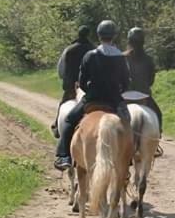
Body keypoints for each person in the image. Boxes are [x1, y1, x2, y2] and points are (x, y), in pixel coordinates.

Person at [54, 20, 131, 171]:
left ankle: (64, 156)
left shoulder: (90, 55)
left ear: (99, 35)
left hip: (92, 99)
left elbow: (82, 82)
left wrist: (89, 90)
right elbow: (126, 82)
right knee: (128, 123)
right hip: (114, 101)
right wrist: (116, 92)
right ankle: (127, 158)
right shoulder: (121, 57)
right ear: (114, 36)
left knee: (69, 120)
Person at [51, 25, 94, 136]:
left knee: (63, 104)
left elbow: (61, 70)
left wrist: (66, 79)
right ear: (89, 35)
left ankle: (57, 126)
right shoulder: (94, 50)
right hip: (89, 88)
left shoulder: (69, 50)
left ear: (78, 34)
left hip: (71, 87)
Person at [124, 26, 163, 132]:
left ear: (129, 41)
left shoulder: (122, 58)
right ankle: (157, 136)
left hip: (124, 97)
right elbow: (151, 80)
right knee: (158, 114)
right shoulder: (148, 59)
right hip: (144, 97)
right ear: (143, 42)